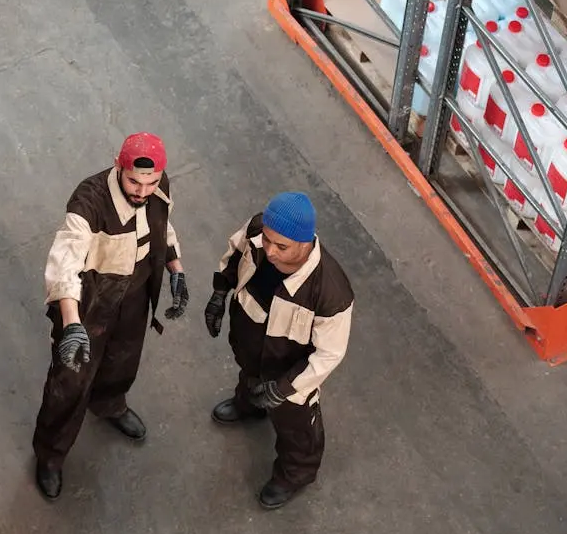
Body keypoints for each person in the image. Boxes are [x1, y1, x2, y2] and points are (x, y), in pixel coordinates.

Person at [32, 132, 189, 500]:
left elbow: (163, 226)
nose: (142, 190)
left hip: (134, 294)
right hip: (90, 303)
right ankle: (51, 456)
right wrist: (72, 324)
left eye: (150, 182)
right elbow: (64, 264)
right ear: (119, 166)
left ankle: (110, 404)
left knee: (123, 359)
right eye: (134, 180)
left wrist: (175, 267)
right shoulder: (89, 203)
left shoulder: (157, 187)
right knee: (70, 381)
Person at [203, 192, 354, 509]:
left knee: (296, 427)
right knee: (249, 378)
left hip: (290, 373)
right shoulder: (260, 228)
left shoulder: (330, 291)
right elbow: (235, 254)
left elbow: (328, 354)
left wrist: (285, 387)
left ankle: (295, 474)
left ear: (305, 242)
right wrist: (219, 293)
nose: (269, 250)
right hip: (250, 342)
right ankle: (250, 406)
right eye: (267, 241)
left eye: (281, 246)